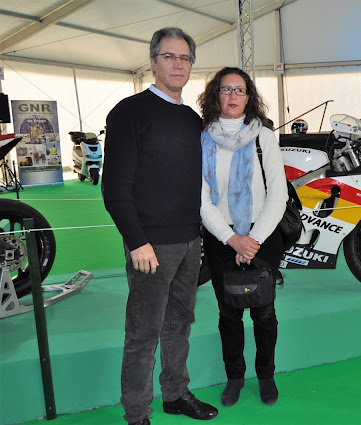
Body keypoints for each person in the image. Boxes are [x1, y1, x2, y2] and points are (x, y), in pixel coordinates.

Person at [102, 27, 218, 425]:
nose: (177, 64)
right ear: (153, 61)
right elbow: (114, 186)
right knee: (143, 333)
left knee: (179, 324)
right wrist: (137, 242)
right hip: (150, 245)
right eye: (169, 56)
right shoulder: (129, 112)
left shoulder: (192, 119)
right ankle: (137, 414)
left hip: (189, 240)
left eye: (184, 58)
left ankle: (175, 394)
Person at [198, 67, 288, 407]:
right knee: (229, 315)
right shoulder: (202, 139)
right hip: (221, 240)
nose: (233, 96)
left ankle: (266, 375)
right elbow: (202, 200)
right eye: (226, 89)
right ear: (215, 95)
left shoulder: (264, 137)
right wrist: (231, 239)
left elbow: (278, 195)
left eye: (239, 90)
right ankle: (234, 376)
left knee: (264, 314)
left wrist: (252, 240)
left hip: (262, 237)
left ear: (249, 97)